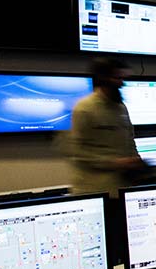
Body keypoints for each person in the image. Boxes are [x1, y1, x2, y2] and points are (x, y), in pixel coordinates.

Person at [61, 58, 144, 198]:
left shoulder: (120, 107)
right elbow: (76, 152)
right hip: (95, 191)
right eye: (117, 78)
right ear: (103, 79)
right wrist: (116, 163)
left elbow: (129, 139)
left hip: (122, 186)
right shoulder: (84, 108)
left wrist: (136, 160)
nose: (122, 83)